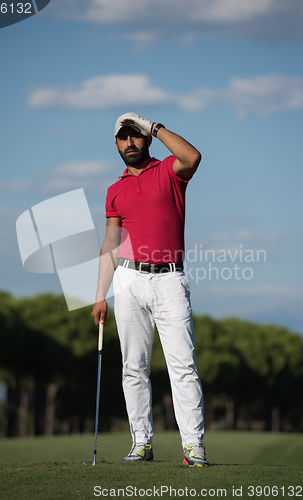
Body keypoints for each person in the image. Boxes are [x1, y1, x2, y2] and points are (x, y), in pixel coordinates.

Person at [91, 112, 208, 467]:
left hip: (170, 278)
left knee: (183, 366)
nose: (130, 142)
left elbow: (193, 158)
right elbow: (111, 244)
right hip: (128, 280)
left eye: (136, 136)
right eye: (123, 138)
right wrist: (99, 295)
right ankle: (141, 443)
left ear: (147, 140)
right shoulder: (115, 190)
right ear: (116, 145)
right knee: (133, 368)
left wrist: (154, 126)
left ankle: (193, 447)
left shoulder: (170, 172)